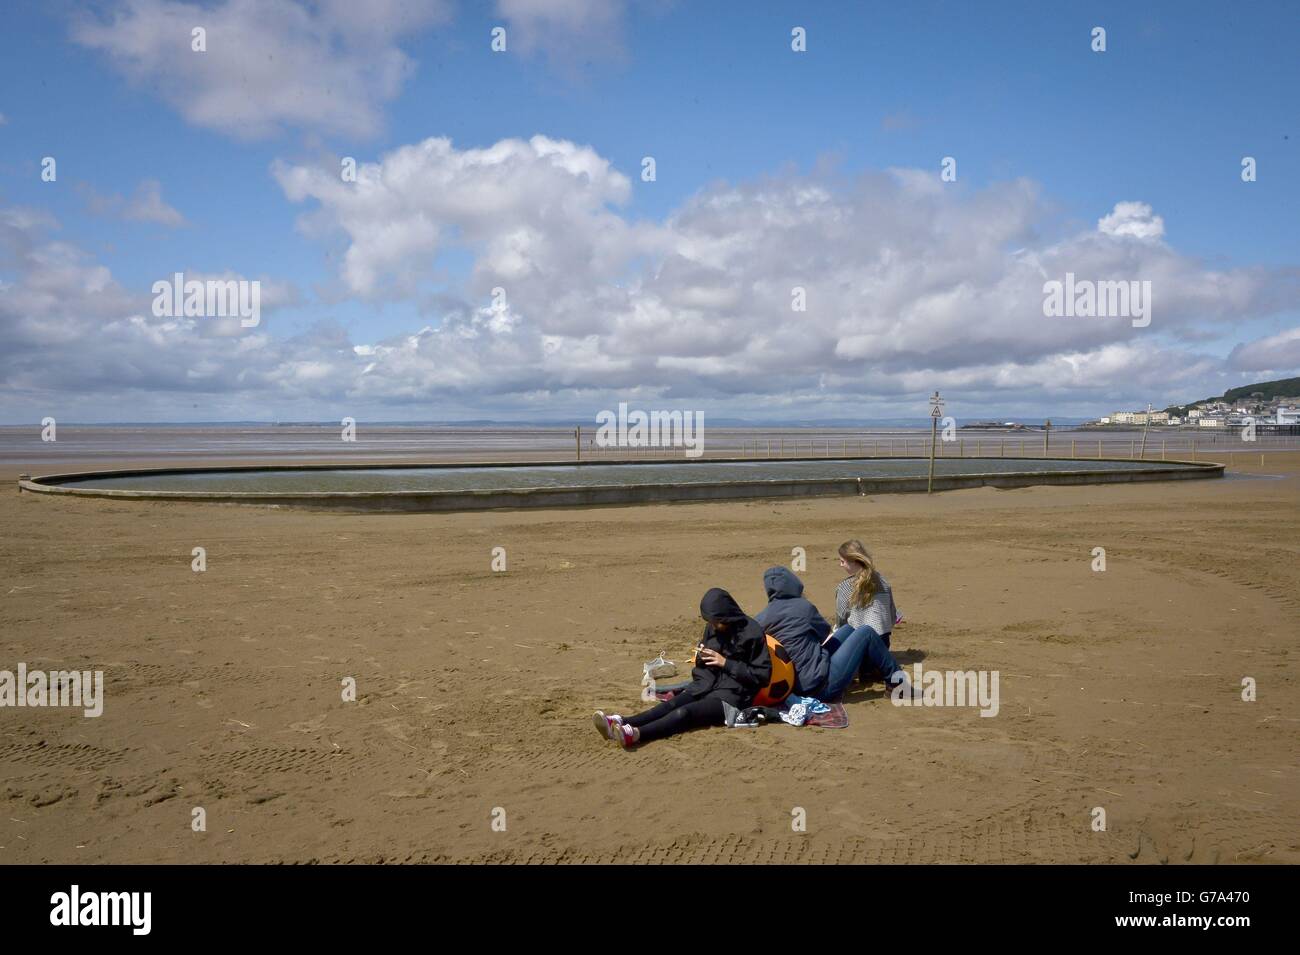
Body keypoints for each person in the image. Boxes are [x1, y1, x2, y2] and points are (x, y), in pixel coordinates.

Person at [593, 588, 771, 748]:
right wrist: (701, 658)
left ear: (728, 615)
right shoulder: (713, 628)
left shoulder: (752, 633)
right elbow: (705, 668)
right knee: (671, 704)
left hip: (731, 697)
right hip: (705, 685)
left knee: (683, 713)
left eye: (718, 622)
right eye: (712, 622)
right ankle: (620, 721)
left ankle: (636, 734)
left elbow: (762, 676)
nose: (715, 626)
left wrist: (725, 663)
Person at [821, 539, 911, 701]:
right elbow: (892, 616)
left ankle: (864, 671)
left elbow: (841, 620)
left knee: (845, 629)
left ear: (854, 561)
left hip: (862, 650)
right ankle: (873, 670)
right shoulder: (883, 581)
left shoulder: (846, 587)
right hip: (882, 644)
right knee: (861, 627)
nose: (840, 565)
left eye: (843, 561)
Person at [753, 566, 831, 697]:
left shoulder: (760, 619)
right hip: (816, 682)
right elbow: (824, 634)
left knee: (847, 631)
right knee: (864, 633)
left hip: (788, 685)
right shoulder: (804, 607)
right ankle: (872, 672)